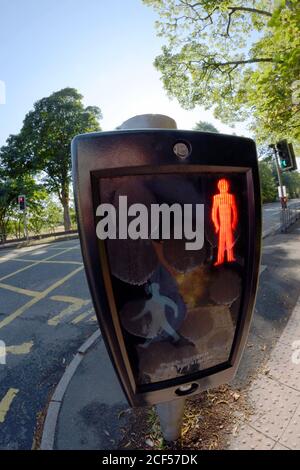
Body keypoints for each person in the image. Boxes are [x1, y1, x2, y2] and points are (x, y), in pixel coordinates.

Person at [212, 178, 238, 266]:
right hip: (222, 225)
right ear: (219, 187)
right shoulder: (216, 198)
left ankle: (230, 258)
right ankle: (220, 259)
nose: (224, 187)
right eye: (222, 186)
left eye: (225, 185)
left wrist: (233, 223)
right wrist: (216, 225)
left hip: (229, 224)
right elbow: (214, 212)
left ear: (228, 187)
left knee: (229, 241)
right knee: (221, 242)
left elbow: (234, 211)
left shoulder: (231, 197)